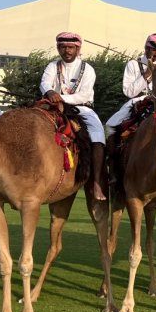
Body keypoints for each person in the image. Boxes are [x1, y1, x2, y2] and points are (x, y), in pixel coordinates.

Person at [40, 31, 106, 199]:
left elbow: (84, 95)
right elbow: (45, 83)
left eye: (70, 47)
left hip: (81, 108)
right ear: (58, 48)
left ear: (78, 49)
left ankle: (97, 182)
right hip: (54, 107)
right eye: (63, 47)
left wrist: (61, 97)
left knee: (98, 135)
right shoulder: (52, 66)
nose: (67, 51)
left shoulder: (88, 69)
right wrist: (49, 91)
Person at [104, 33, 156, 137]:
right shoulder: (133, 64)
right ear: (146, 48)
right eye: (154, 50)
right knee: (109, 126)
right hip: (136, 103)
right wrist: (147, 74)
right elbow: (129, 93)